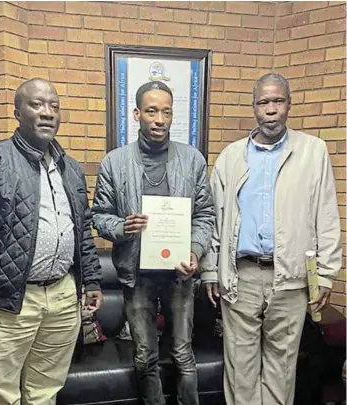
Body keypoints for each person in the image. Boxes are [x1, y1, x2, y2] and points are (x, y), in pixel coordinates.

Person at [0, 78, 103, 405]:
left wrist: (91, 279)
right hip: (8, 303)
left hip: (62, 297)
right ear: (18, 111)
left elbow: (82, 230)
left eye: (54, 106)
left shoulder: (71, 169)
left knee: (45, 390)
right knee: (2, 394)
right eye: (36, 104)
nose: (47, 113)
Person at [202, 73, 342, 405]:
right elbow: (213, 220)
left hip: (290, 278)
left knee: (281, 368)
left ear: (288, 105)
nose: (271, 110)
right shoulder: (231, 157)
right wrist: (210, 269)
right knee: (241, 368)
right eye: (264, 102)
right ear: (254, 108)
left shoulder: (313, 152)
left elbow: (326, 214)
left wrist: (325, 273)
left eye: (278, 101)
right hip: (241, 277)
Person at [92, 81, 215, 405]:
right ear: (137, 114)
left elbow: (205, 214)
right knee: (145, 357)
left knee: (182, 355)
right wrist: (122, 226)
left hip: (179, 275)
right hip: (138, 276)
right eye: (151, 111)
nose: (159, 119)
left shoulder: (193, 160)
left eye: (166, 111)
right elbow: (99, 215)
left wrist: (194, 251)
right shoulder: (114, 163)